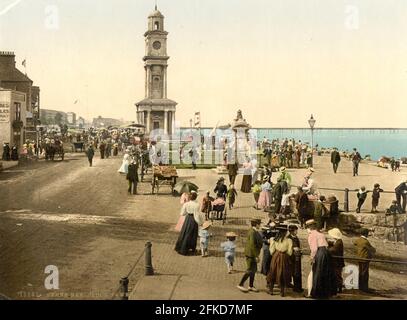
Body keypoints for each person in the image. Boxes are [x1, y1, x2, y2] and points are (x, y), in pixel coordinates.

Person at [306, 219, 337, 299]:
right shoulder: (321, 234)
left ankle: (316, 293)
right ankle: (325, 292)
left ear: (309, 227)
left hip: (319, 253)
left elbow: (314, 249)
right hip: (326, 253)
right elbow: (326, 245)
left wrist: (312, 257)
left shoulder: (312, 235)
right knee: (325, 272)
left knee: (317, 272)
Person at [237, 219, 263, 293]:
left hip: (252, 254)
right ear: (256, 224)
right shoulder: (252, 232)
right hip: (251, 254)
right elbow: (252, 245)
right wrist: (256, 256)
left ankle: (251, 285)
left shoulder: (254, 231)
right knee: (249, 270)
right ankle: (240, 284)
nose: (260, 225)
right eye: (259, 224)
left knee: (253, 270)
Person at [267, 225, 293, 297]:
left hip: (276, 256)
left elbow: (271, 251)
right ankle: (282, 292)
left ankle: (271, 290)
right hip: (284, 257)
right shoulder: (289, 240)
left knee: (273, 272)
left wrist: (275, 254)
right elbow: (290, 252)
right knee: (282, 273)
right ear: (285, 232)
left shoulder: (274, 239)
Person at [175, 192, 204, 256]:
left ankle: (181, 247)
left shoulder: (186, 204)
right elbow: (196, 215)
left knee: (185, 233)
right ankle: (191, 248)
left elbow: (182, 213)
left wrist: (187, 213)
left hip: (187, 219)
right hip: (193, 220)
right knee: (192, 234)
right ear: (196, 197)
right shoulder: (197, 205)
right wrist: (200, 223)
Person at [354, 228, 376, 292]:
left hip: (359, 258)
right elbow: (372, 249)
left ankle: (360, 286)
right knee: (365, 273)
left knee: (360, 272)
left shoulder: (358, 240)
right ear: (366, 234)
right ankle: (364, 288)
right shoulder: (365, 241)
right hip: (365, 259)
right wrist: (374, 249)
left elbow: (355, 243)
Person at [327, 228, 345, 294]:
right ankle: (337, 287)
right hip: (337, 262)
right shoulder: (338, 241)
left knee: (337, 275)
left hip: (337, 262)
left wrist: (327, 248)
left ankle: (339, 288)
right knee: (337, 275)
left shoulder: (339, 242)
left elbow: (333, 250)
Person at [288, 225, 303, 293]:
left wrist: (300, 251)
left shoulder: (296, 238)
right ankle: (294, 287)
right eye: (295, 230)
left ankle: (298, 287)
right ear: (292, 231)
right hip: (291, 258)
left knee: (297, 272)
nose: (297, 231)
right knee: (294, 272)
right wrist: (294, 249)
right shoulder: (289, 238)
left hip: (297, 257)